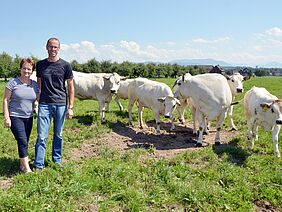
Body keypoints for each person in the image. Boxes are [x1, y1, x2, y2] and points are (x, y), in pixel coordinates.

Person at [33, 37, 74, 170]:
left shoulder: (65, 65)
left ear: (59, 48)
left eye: (55, 47)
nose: (53, 49)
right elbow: (39, 84)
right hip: (44, 104)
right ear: (46, 47)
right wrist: (37, 100)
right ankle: (39, 165)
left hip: (61, 104)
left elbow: (70, 87)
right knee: (42, 136)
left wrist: (70, 107)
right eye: (51, 46)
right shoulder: (40, 65)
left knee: (58, 134)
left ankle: (56, 161)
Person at [3, 58, 39, 173]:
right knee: (22, 140)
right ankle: (27, 169)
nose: (26, 71)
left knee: (24, 141)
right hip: (15, 116)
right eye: (24, 68)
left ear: (32, 70)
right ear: (20, 68)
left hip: (29, 117)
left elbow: (38, 98)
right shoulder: (13, 82)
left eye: (29, 69)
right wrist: (7, 117)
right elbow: (5, 100)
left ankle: (21, 165)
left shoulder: (34, 85)